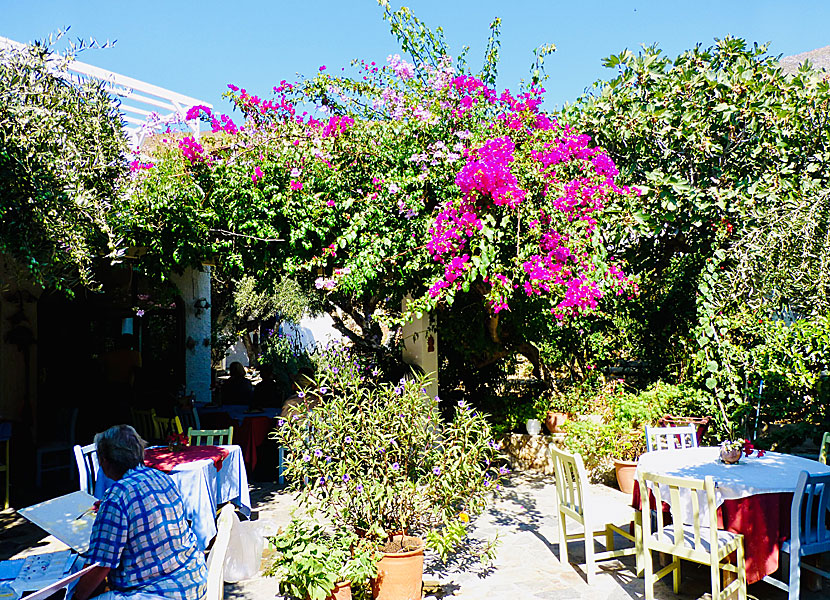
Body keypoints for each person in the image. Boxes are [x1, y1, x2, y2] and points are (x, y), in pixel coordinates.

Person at [73, 425, 207, 600]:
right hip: (193, 580)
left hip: (162, 593)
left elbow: (100, 565)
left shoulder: (118, 496)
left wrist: (75, 598)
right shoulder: (160, 477)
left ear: (105, 460)